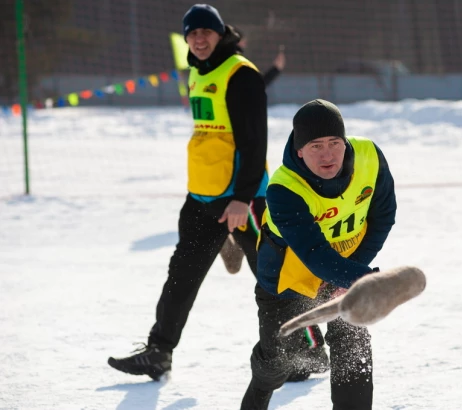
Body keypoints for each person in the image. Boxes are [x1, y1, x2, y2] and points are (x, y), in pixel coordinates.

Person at [107, 4, 327, 381]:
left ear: (220, 33)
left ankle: (310, 350)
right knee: (182, 275)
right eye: (192, 34)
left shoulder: (241, 75)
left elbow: (254, 142)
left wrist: (242, 198)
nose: (199, 39)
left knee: (276, 278)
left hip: (246, 200)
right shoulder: (196, 70)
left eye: (206, 32)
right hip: (203, 197)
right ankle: (159, 351)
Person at [240, 99, 397, 410]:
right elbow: (313, 254)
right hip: (287, 279)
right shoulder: (284, 189)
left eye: (334, 143)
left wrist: (352, 274)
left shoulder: (370, 158)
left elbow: (383, 217)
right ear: (299, 150)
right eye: (315, 146)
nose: (328, 154)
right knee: (277, 362)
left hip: (343, 270)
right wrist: (360, 279)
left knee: (353, 351)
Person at [219, 28, 287, 274]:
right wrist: (275, 70)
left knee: (258, 215)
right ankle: (263, 267)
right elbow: (258, 85)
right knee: (254, 219)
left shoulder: (233, 68)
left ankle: (235, 244)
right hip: (237, 157)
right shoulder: (234, 69)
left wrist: (275, 70)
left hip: (250, 156)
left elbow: (258, 86)